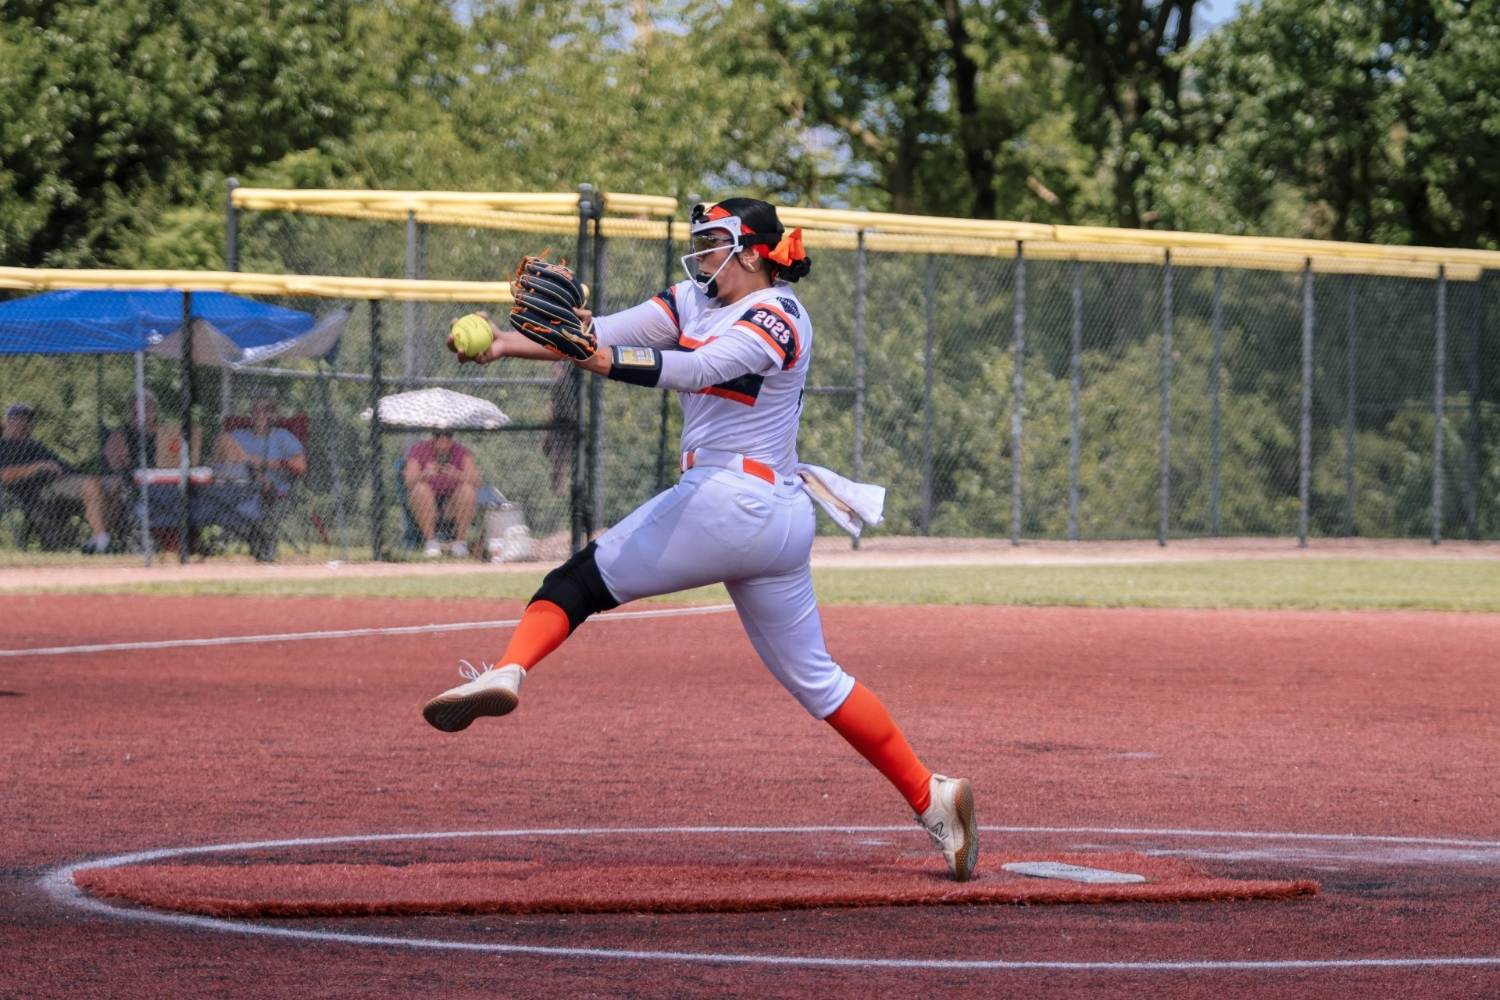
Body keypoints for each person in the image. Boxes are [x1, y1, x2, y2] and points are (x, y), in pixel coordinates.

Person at [420, 199, 978, 882]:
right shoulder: (693, 297)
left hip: (731, 501)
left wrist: (592, 355)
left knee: (574, 585)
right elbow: (592, 330)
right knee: (819, 683)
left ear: (753, 252)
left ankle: (509, 669)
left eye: (715, 242)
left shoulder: (779, 314)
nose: (702, 253)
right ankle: (933, 797)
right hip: (775, 519)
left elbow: (689, 369)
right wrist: (507, 344)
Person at [0, 403, 116, 551]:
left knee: (116, 484)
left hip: (65, 484)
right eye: (20, 419)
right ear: (7, 422)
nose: (25, 423)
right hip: (41, 494)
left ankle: (97, 540)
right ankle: (104, 545)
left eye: (28, 420)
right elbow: (3, 475)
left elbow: (64, 467)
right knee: (91, 484)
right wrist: (38, 466)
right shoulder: (3, 446)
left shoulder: (36, 446)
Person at [209, 391, 306, 561]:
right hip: (232, 481)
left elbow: (301, 465)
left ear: (275, 414)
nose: (259, 414)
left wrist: (259, 462)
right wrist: (246, 461)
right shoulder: (239, 435)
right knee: (223, 438)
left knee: (252, 471)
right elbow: (216, 457)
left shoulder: (282, 437)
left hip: (266, 487)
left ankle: (250, 472)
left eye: (266, 410)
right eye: (255, 410)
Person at [403, 430, 480, 558]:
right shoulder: (418, 449)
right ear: (433, 437)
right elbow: (409, 482)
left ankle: (459, 543)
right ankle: (431, 542)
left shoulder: (461, 451)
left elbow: (477, 482)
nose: (443, 442)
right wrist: (424, 475)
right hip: (426, 500)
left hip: (451, 502)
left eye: (448, 436)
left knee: (467, 489)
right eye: (439, 436)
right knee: (420, 489)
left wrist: (457, 475)